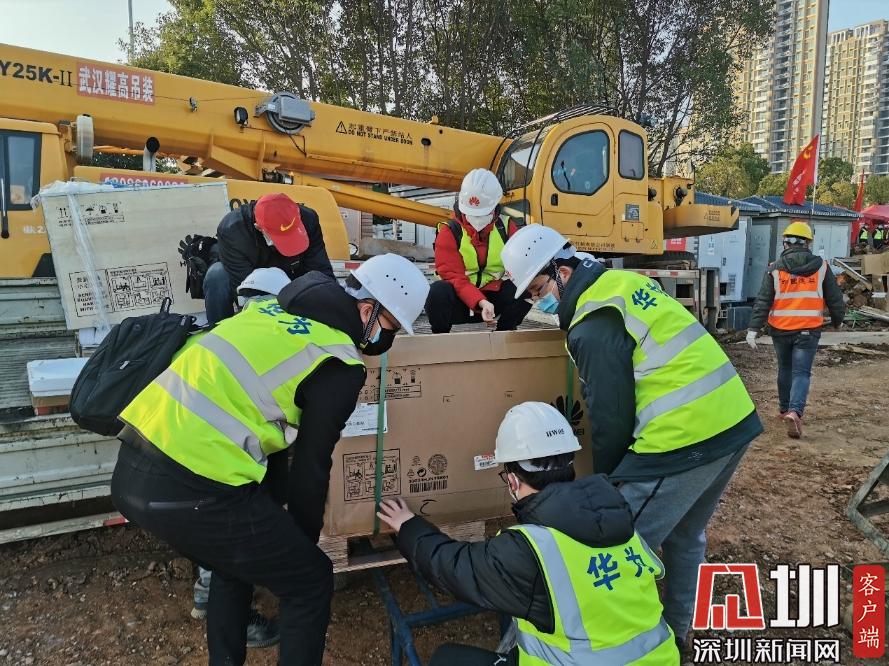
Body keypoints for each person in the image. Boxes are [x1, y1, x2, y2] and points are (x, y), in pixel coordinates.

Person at [110, 254, 429, 666]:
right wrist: (301, 542)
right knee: (310, 580)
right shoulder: (339, 362)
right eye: (391, 327)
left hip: (134, 467)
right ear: (367, 311)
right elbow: (312, 467)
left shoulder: (273, 309)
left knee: (233, 564)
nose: (389, 339)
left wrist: (275, 514)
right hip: (193, 485)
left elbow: (266, 428)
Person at [500, 225, 763, 647]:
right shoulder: (621, 284)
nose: (538, 302)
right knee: (685, 536)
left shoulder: (591, 325)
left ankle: (589, 647)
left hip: (684, 437)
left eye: (538, 290)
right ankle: (677, 635)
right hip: (731, 418)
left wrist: (606, 488)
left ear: (562, 273)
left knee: (611, 548)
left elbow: (611, 418)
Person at [377, 402, 679, 665]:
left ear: (512, 481)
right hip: (662, 658)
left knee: (447, 659)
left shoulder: (529, 550)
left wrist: (408, 526)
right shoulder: (617, 518)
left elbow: (453, 567)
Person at [189, 268, 293, 648]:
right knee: (233, 537)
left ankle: (206, 589)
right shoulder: (266, 344)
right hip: (221, 461)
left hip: (186, 454)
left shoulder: (216, 336)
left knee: (210, 524)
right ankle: (235, 618)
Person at [747, 221, 845, 438]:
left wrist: (753, 329)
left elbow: (763, 300)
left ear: (785, 243)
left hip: (780, 328)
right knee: (801, 372)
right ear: (807, 243)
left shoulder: (774, 268)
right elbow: (835, 297)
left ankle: (784, 409)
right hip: (808, 329)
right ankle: (795, 411)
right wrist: (838, 320)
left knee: (785, 369)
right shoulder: (821, 266)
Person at [203, 192, 335, 324]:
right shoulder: (232, 230)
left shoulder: (309, 219)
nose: (288, 243)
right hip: (253, 277)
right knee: (217, 275)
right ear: (258, 227)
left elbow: (320, 270)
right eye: (283, 240)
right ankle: (220, 328)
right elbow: (246, 290)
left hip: (292, 273)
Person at [426, 169, 532, 333]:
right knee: (438, 292)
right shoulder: (449, 232)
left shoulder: (506, 228)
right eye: (471, 213)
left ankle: (504, 335)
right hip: (459, 302)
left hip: (493, 299)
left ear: (495, 206)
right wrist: (480, 302)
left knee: (525, 287)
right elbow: (453, 277)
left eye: (482, 213)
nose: (476, 219)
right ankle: (441, 337)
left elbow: (524, 265)